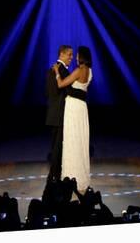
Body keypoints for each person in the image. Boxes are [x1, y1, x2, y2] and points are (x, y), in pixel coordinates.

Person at [53, 45, 93, 193]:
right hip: (82, 108)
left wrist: (57, 72)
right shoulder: (89, 71)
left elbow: (61, 84)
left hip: (73, 108)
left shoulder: (78, 70)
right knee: (80, 141)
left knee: (71, 140)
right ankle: (81, 177)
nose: (75, 58)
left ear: (82, 57)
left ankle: (71, 177)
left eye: (77, 55)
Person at [45, 45, 74, 181]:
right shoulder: (61, 70)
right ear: (62, 54)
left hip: (53, 113)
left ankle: (55, 175)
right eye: (69, 55)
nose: (71, 58)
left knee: (56, 146)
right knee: (57, 147)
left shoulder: (53, 69)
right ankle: (54, 177)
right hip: (60, 114)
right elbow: (67, 90)